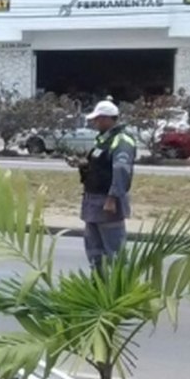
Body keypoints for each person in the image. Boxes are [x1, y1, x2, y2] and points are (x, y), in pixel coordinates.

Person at [71, 100, 136, 270]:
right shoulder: (103, 140)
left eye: (98, 119)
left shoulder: (122, 140)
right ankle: (98, 287)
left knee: (115, 252)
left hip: (107, 204)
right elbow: (101, 165)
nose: (95, 122)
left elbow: (121, 170)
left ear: (108, 119)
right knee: (95, 252)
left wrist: (112, 198)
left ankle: (119, 290)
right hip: (93, 203)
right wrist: (83, 164)